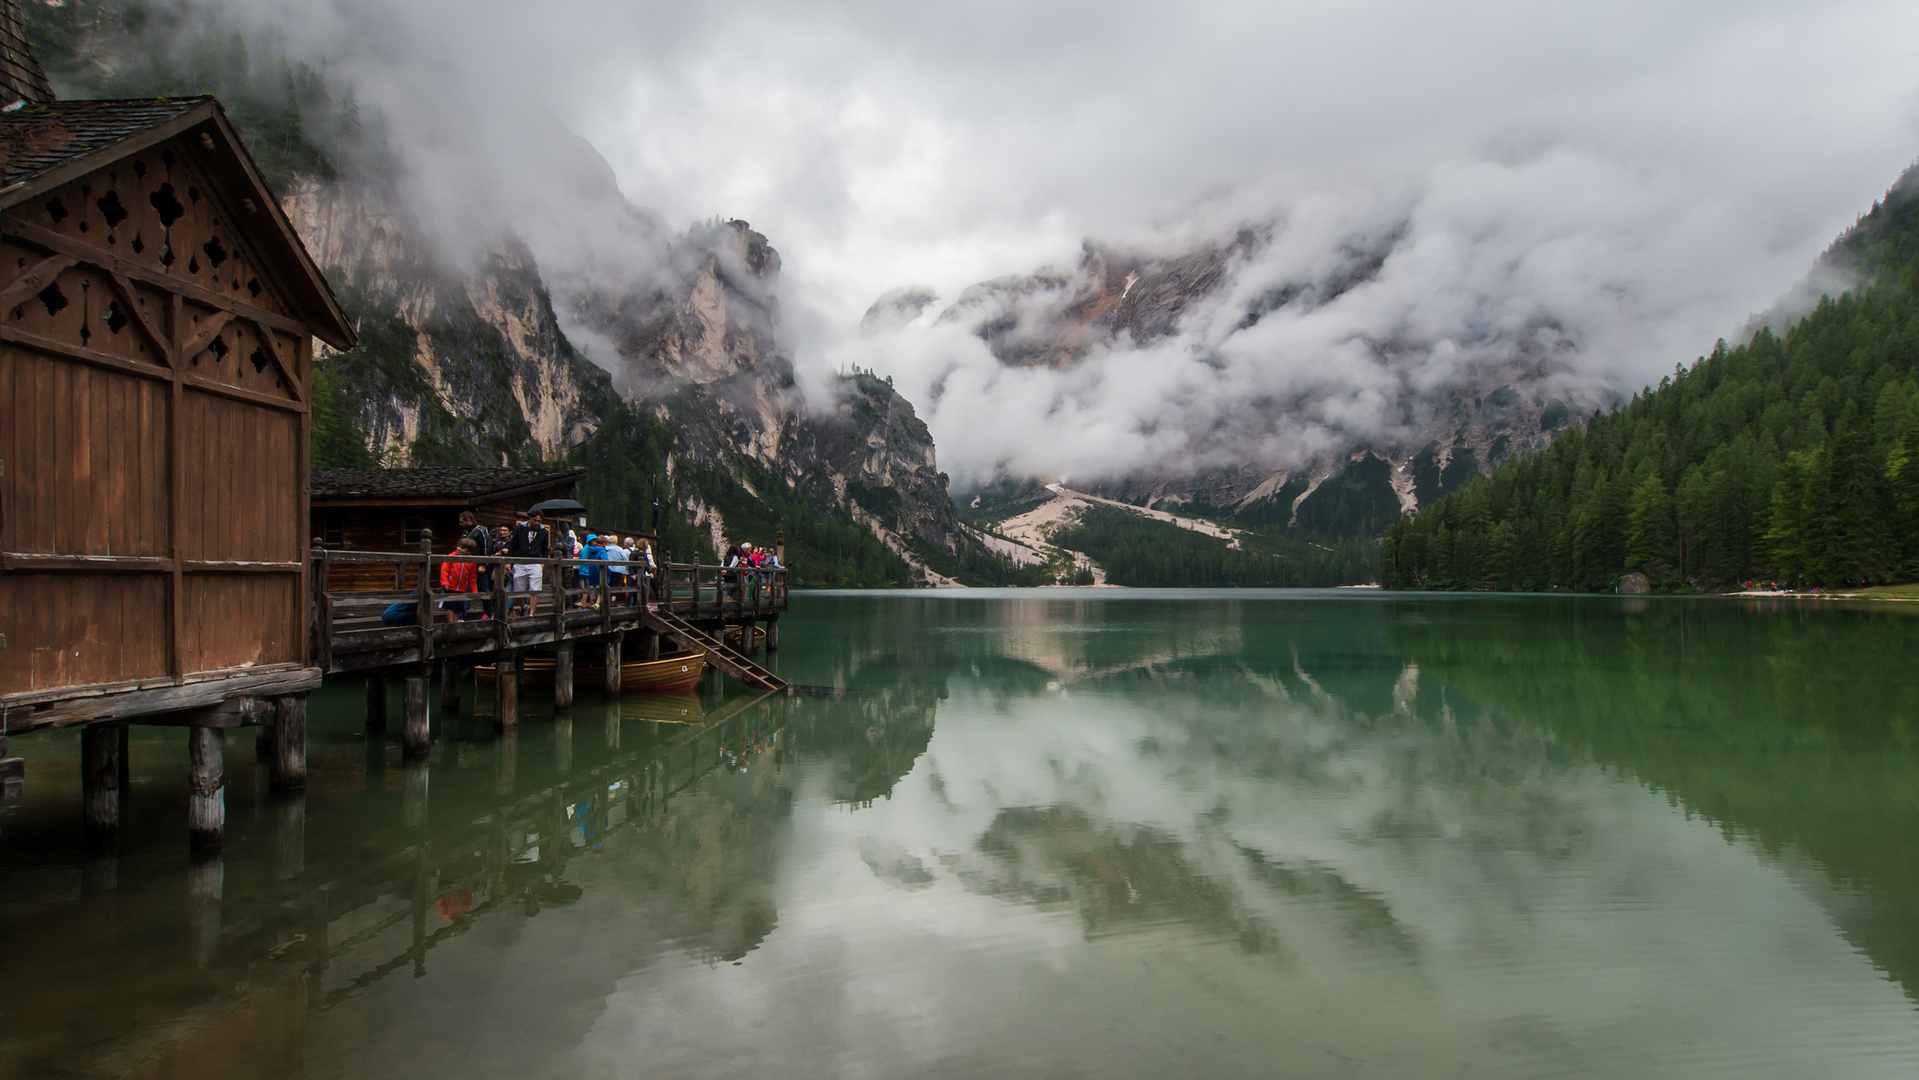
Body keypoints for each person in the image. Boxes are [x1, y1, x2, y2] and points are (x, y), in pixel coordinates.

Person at [508, 510, 550, 616]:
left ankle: (531, 613)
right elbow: (513, 545)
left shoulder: (544, 532)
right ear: (530, 518)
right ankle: (523, 607)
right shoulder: (520, 529)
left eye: (539, 521)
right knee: (518, 588)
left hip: (535, 561)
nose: (536, 523)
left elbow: (545, 549)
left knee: (535, 588)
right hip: (520, 561)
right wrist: (509, 561)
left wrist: (543, 562)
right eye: (535, 520)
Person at [440, 536, 480, 620]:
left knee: (458, 608)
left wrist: (473, 590)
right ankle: (450, 623)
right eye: (458, 546)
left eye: (462, 548)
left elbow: (472, 577)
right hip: (450, 586)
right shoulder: (451, 556)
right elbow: (444, 571)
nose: (459, 549)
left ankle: (455, 624)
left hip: (462, 587)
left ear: (468, 551)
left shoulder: (471, 561)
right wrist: (445, 582)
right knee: (450, 606)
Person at [580, 533, 607, 607]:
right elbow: (584, 559)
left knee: (591, 589)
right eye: (594, 541)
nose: (595, 542)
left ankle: (591, 605)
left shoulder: (591, 548)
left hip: (590, 570)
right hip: (587, 570)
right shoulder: (587, 548)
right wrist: (584, 570)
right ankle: (584, 605)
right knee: (588, 588)